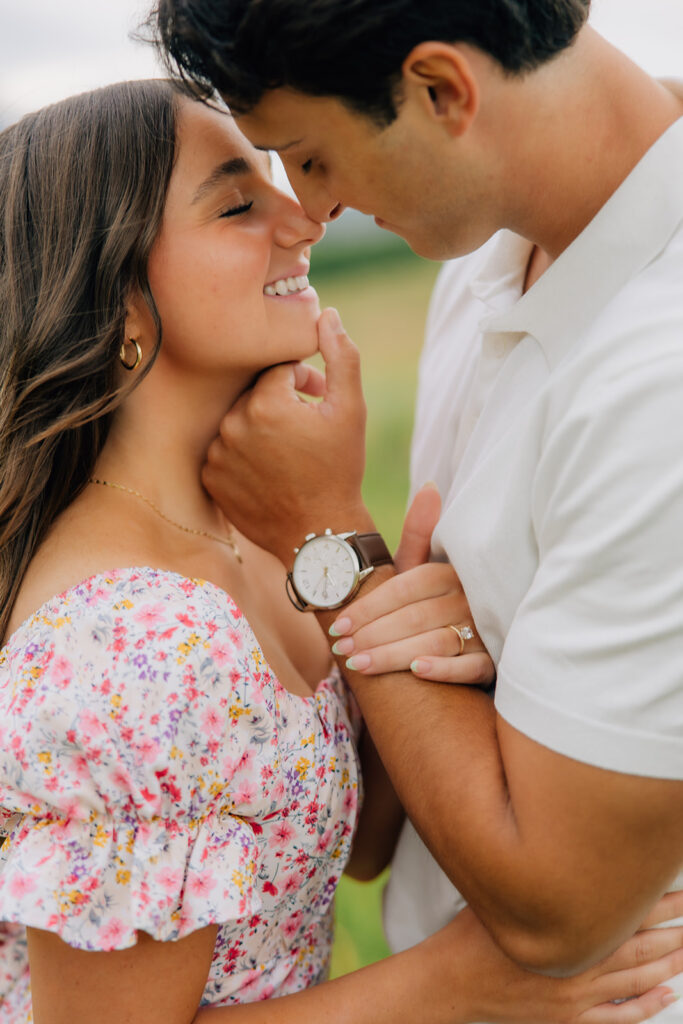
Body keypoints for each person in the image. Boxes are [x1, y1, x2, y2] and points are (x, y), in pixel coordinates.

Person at [2, 78, 681, 1024]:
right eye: (239, 203)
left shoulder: (251, 533)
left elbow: (337, 841)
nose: (302, 218)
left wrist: (422, 635)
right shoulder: (127, 644)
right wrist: (456, 987)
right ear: (121, 305)